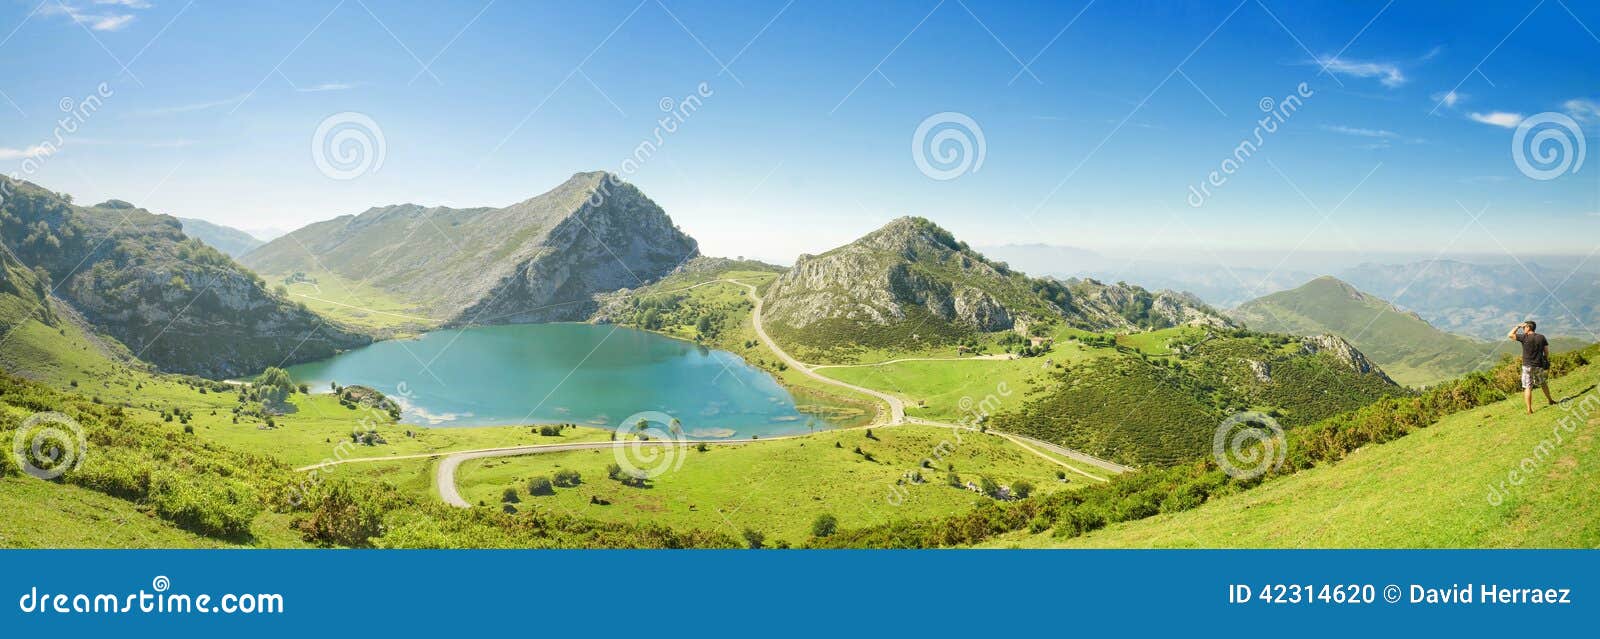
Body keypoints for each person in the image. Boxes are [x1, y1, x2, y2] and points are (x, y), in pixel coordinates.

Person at [1508, 320, 1554, 414]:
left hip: (1527, 366)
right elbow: (1546, 352)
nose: (1523, 329)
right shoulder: (1541, 337)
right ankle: (1550, 400)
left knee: (1527, 387)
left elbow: (1510, 335)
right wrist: (1545, 359)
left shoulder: (1524, 337)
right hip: (1538, 365)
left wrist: (1518, 326)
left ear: (1528, 328)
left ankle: (1529, 409)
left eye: (1524, 327)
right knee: (1543, 383)